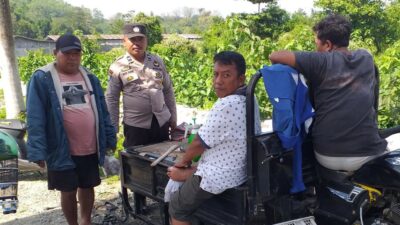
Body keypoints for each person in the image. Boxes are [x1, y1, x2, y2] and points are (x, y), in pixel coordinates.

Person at [269, 14, 387, 172]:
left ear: (328, 45)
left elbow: (275, 56)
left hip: (327, 155)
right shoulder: (366, 58)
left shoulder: (319, 61)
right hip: (368, 154)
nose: (315, 48)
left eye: (316, 43)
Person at [26, 34, 116, 225]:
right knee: (67, 189)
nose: (73, 57)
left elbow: (102, 110)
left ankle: (86, 221)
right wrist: (37, 150)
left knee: (88, 185)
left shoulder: (89, 76)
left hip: (90, 146)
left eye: (77, 53)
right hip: (61, 147)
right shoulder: (43, 78)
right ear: (55, 53)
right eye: (67, 53)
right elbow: (35, 117)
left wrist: (109, 139)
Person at [167, 51, 260, 225]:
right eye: (216, 74)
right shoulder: (249, 96)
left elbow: (197, 143)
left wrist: (180, 164)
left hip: (219, 175)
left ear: (240, 79)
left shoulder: (227, 104)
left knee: (177, 206)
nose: (218, 81)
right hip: (239, 170)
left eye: (226, 75)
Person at [106, 23, 177, 147]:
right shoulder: (118, 66)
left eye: (140, 39)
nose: (137, 43)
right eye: (132, 39)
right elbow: (112, 98)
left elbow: (168, 90)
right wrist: (114, 129)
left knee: (163, 160)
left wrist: (173, 116)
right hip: (136, 125)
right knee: (137, 163)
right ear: (124, 41)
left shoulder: (157, 61)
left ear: (146, 40)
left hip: (161, 122)